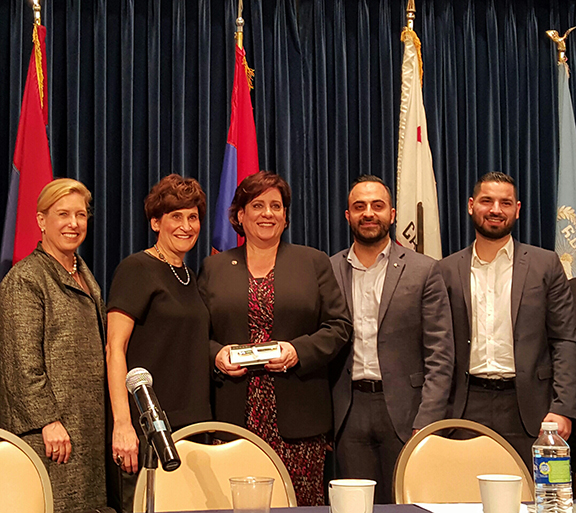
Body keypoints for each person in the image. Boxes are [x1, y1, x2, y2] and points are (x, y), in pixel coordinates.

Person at [198, 171, 352, 506]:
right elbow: (198, 336)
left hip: (299, 419)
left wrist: (298, 351)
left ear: (285, 216)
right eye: (257, 205)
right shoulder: (214, 267)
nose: (268, 213)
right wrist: (217, 356)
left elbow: (339, 326)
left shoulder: (313, 262)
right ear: (240, 215)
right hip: (235, 416)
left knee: (298, 503)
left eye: (276, 206)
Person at [438, 172, 576, 469]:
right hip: (464, 406)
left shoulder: (545, 264)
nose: (496, 209)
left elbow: (565, 339)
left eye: (505, 202)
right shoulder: (445, 270)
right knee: (465, 499)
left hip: (530, 409)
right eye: (487, 201)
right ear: (471, 206)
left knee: (529, 500)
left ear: (518, 209)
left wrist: (563, 407)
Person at [330, 175, 454, 504]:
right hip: (348, 411)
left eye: (377, 206)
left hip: (407, 412)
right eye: (359, 207)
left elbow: (440, 356)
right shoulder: (328, 270)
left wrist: (427, 421)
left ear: (393, 214)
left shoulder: (424, 270)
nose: (368, 213)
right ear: (348, 215)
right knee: (355, 507)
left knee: (407, 503)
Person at [0, 178, 107, 513]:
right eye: (63, 214)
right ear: (42, 220)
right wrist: (47, 421)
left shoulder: (85, 275)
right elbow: (21, 362)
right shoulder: (26, 279)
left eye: (80, 215)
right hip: (50, 436)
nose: (73, 223)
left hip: (86, 430)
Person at [106, 174, 211, 512]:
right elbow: (114, 349)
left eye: (192, 217)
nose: (186, 226)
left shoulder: (190, 276)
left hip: (191, 425)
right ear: (156, 222)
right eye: (175, 216)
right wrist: (123, 423)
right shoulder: (136, 268)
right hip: (146, 430)